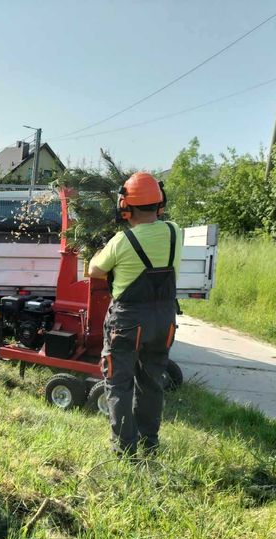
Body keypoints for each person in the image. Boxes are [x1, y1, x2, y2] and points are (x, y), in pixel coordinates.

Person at [88, 172, 183, 457]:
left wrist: (102, 249)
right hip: (164, 319)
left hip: (128, 321)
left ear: (125, 207)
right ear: (160, 204)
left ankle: (125, 450)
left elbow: (94, 270)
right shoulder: (174, 231)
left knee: (119, 383)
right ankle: (149, 444)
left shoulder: (121, 240)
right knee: (152, 382)